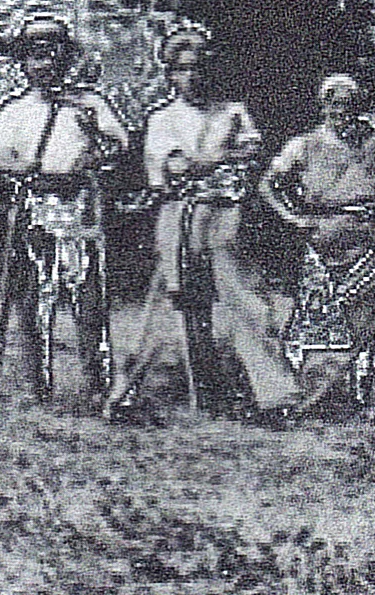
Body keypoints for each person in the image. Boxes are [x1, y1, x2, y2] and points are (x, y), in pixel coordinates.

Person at [109, 27, 295, 423]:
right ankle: (196, 392)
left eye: (197, 68)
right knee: (182, 305)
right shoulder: (162, 119)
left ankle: (274, 395)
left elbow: (249, 158)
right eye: (181, 70)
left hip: (225, 216)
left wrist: (213, 162)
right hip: (178, 215)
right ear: (170, 74)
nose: (191, 77)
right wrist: (218, 158)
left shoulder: (232, 113)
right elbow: (173, 169)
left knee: (245, 301)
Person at [0, 16, 127, 408]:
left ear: (66, 59)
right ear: (23, 63)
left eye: (52, 55)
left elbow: (120, 144)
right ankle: (40, 387)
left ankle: (99, 385)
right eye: (35, 57)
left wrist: (95, 150)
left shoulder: (89, 104)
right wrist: (22, 166)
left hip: (80, 207)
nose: (45, 64)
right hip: (35, 206)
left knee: (88, 296)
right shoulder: (13, 110)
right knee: (37, 298)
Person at [259, 74, 375, 405]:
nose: (341, 112)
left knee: (367, 317)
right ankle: (317, 393)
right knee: (318, 316)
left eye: (348, 105)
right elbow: (268, 184)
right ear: (324, 107)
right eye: (334, 104)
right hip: (320, 239)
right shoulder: (304, 145)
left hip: (366, 239)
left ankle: (362, 392)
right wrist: (293, 217)